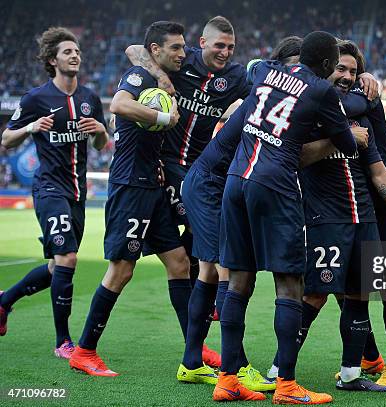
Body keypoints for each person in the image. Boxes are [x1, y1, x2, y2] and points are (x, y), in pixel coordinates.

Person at [213, 31, 358, 404]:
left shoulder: (264, 70)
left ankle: (227, 380)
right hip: (274, 184)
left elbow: (258, 69)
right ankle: (288, 386)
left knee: (238, 282)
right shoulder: (322, 91)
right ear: (327, 65)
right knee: (290, 282)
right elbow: (347, 142)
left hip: (236, 180)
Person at [268, 40, 386, 391]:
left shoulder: (365, 101)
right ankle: (289, 367)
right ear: (325, 68)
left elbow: (379, 170)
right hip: (334, 212)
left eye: (353, 70)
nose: (347, 76)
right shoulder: (315, 106)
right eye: (340, 69)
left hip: (379, 206)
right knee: (326, 291)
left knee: (383, 286)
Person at [125, 15, 251, 369]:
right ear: (202, 44)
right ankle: (217, 346)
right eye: (219, 46)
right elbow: (134, 49)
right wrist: (163, 76)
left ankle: (199, 325)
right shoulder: (182, 62)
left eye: (230, 47)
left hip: (199, 170)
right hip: (167, 165)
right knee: (209, 250)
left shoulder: (236, 78)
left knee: (198, 247)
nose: (224, 52)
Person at [68, 21, 192, 377]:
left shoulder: (157, 74)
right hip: (131, 185)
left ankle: (193, 351)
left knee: (179, 261)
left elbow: (136, 47)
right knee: (121, 270)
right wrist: (162, 116)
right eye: (175, 48)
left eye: (184, 48)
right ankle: (84, 351)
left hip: (152, 185)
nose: (182, 54)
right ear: (157, 51)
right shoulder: (138, 77)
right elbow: (121, 105)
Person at [0, 27, 108, 359]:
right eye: (67, 52)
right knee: (68, 258)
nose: (75, 55)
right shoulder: (35, 99)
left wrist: (102, 131)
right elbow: (6, 139)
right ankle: (63, 342)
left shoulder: (90, 98)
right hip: (49, 188)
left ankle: (4, 301)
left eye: (77, 51)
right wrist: (30, 127)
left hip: (77, 192)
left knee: (55, 267)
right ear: (52, 60)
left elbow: (101, 144)